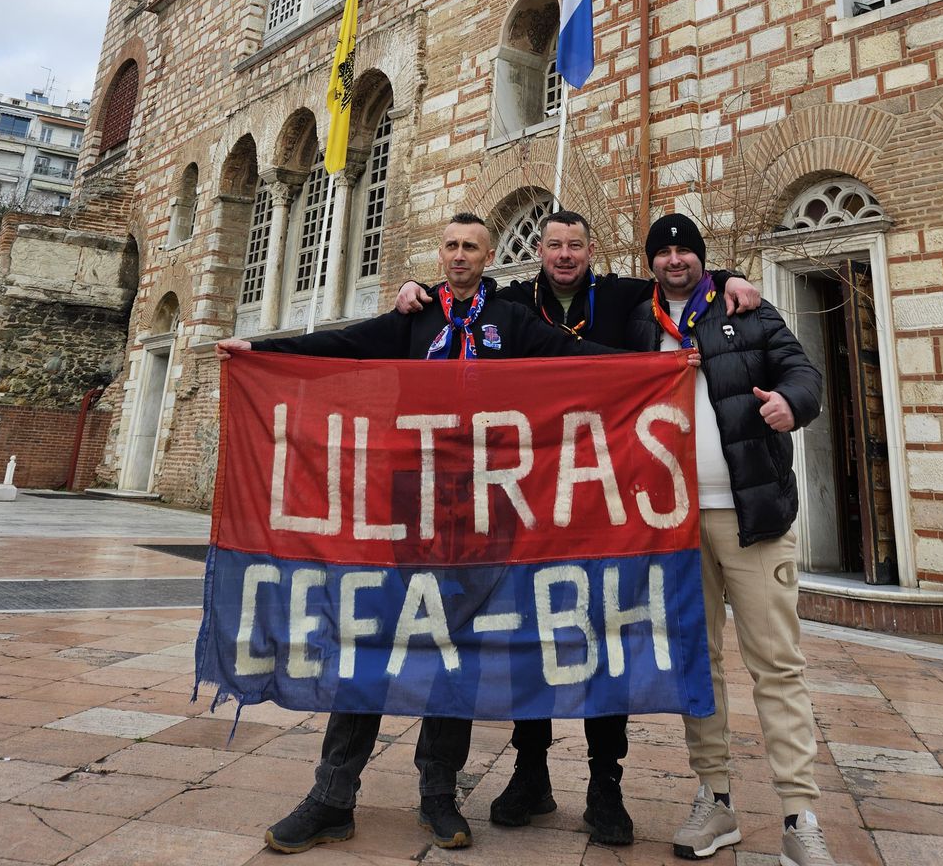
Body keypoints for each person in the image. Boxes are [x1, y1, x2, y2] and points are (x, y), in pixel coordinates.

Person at [216, 211, 657, 857]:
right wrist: (260, 351)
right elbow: (342, 344)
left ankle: (438, 794)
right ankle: (332, 797)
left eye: (471, 247)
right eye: (450, 245)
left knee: (455, 650)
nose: (459, 255)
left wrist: (658, 369)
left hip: (481, 511)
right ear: (440, 253)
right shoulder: (413, 318)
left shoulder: (511, 322)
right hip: (404, 509)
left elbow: (576, 356)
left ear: (489, 256)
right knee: (370, 641)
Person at [394, 208, 762, 847]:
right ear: (537, 251)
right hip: (530, 496)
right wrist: (417, 291)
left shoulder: (620, 295)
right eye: (554, 245)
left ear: (592, 251)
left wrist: (731, 277)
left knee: (604, 632)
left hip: (604, 494)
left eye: (575, 246)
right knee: (535, 631)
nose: (564, 255)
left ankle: (605, 786)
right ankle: (531, 774)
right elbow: (455, 291)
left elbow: (677, 272)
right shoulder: (512, 302)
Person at [627, 212, 835, 866]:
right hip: (675, 520)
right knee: (699, 663)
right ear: (651, 262)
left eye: (686, 249)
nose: (675, 260)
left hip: (751, 515)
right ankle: (714, 798)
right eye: (663, 251)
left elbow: (804, 374)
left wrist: (791, 405)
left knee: (776, 663)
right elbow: (559, 295)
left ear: (702, 258)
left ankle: (800, 815)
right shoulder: (637, 323)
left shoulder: (748, 309)